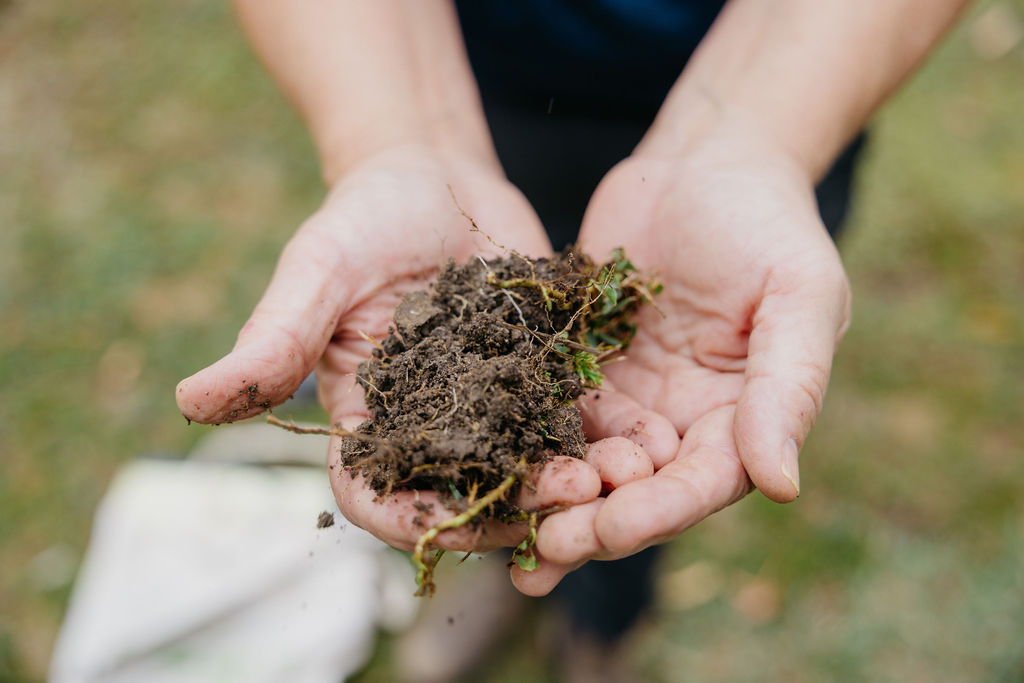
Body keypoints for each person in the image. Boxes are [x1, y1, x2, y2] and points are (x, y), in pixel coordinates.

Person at [175, 0, 970, 676]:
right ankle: (501, 565)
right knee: (549, 450)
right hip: (472, 73)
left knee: (657, 428)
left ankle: (603, 629)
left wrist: (762, 136)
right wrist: (399, 134)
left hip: (790, 74)